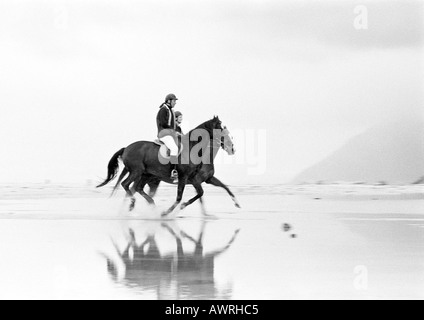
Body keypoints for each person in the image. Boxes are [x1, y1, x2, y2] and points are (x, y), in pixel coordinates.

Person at [156, 94, 179, 182]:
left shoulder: (169, 110)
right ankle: (173, 171)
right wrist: (173, 131)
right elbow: (163, 123)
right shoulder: (163, 110)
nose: (175, 103)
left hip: (169, 133)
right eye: (174, 101)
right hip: (164, 134)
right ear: (169, 101)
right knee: (174, 148)